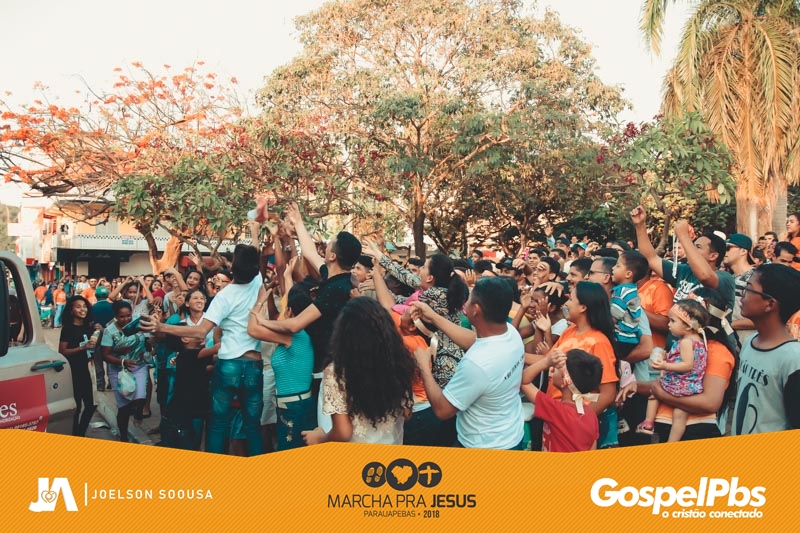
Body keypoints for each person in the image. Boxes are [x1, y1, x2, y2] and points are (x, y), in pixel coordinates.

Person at [141, 243, 265, 455]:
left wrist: (161, 327)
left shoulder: (224, 296)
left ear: (233, 268)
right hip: (253, 364)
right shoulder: (257, 283)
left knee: (218, 424)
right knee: (253, 426)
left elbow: (200, 332)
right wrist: (255, 231)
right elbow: (254, 259)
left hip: (229, 365)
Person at [411, 277, 526, 450]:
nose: (466, 303)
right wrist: (433, 317)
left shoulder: (476, 364)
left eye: (470, 299)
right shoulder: (509, 332)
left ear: (476, 310)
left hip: (484, 446)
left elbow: (442, 410)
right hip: (510, 433)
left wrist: (423, 367)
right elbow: (473, 340)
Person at [302, 298, 415, 445]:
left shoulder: (337, 371)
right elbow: (407, 413)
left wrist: (319, 438)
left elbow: (343, 432)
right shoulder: (398, 361)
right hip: (391, 450)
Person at [541, 281, 619, 448]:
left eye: (571, 299)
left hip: (572, 424)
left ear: (583, 307)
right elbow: (546, 361)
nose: (566, 304)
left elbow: (608, 393)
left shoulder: (599, 342)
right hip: (557, 415)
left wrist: (579, 420)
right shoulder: (569, 331)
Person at [732, 264, 800, 435]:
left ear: (769, 304)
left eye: (748, 289)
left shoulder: (793, 360)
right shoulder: (750, 342)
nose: (742, 295)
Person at [248, 284, 316, 451]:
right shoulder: (299, 334)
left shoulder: (293, 335)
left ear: (290, 311)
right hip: (295, 404)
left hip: (294, 406)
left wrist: (259, 303)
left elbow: (253, 330)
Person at [636, 300, 709, 442]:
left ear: (688, 326)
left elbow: (687, 365)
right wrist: (667, 357)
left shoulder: (686, 342)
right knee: (680, 414)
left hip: (680, 383)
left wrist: (664, 365)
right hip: (692, 386)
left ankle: (648, 422)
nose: (669, 324)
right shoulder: (700, 341)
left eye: (673, 321)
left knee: (654, 392)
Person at [161, 288, 214, 450]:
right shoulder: (191, 354)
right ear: (184, 338)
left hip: (191, 399)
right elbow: (216, 350)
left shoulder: (185, 355)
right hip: (193, 401)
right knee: (193, 432)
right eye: (195, 298)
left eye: (202, 298)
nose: (200, 334)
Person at [521, 349, 603, 452]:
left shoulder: (555, 410)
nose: (552, 370)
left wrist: (546, 362)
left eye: (557, 368)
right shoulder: (591, 415)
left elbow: (523, 382)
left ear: (566, 380)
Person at [99, 300, 151, 443]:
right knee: (124, 407)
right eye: (121, 316)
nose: (126, 319)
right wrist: (121, 360)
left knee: (140, 397)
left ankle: (139, 413)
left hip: (138, 366)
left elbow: (148, 341)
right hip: (119, 371)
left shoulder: (137, 324)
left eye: (128, 315)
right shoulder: (109, 331)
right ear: (115, 316)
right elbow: (105, 355)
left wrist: (148, 349)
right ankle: (123, 436)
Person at [58, 296, 99, 436]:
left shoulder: (89, 327)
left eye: (85, 306)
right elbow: (62, 351)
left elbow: (94, 346)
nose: (83, 309)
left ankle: (80, 432)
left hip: (87, 369)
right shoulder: (68, 329)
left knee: (91, 404)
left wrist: (100, 331)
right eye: (78, 306)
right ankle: (76, 434)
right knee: (77, 406)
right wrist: (82, 348)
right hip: (74, 370)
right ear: (71, 310)